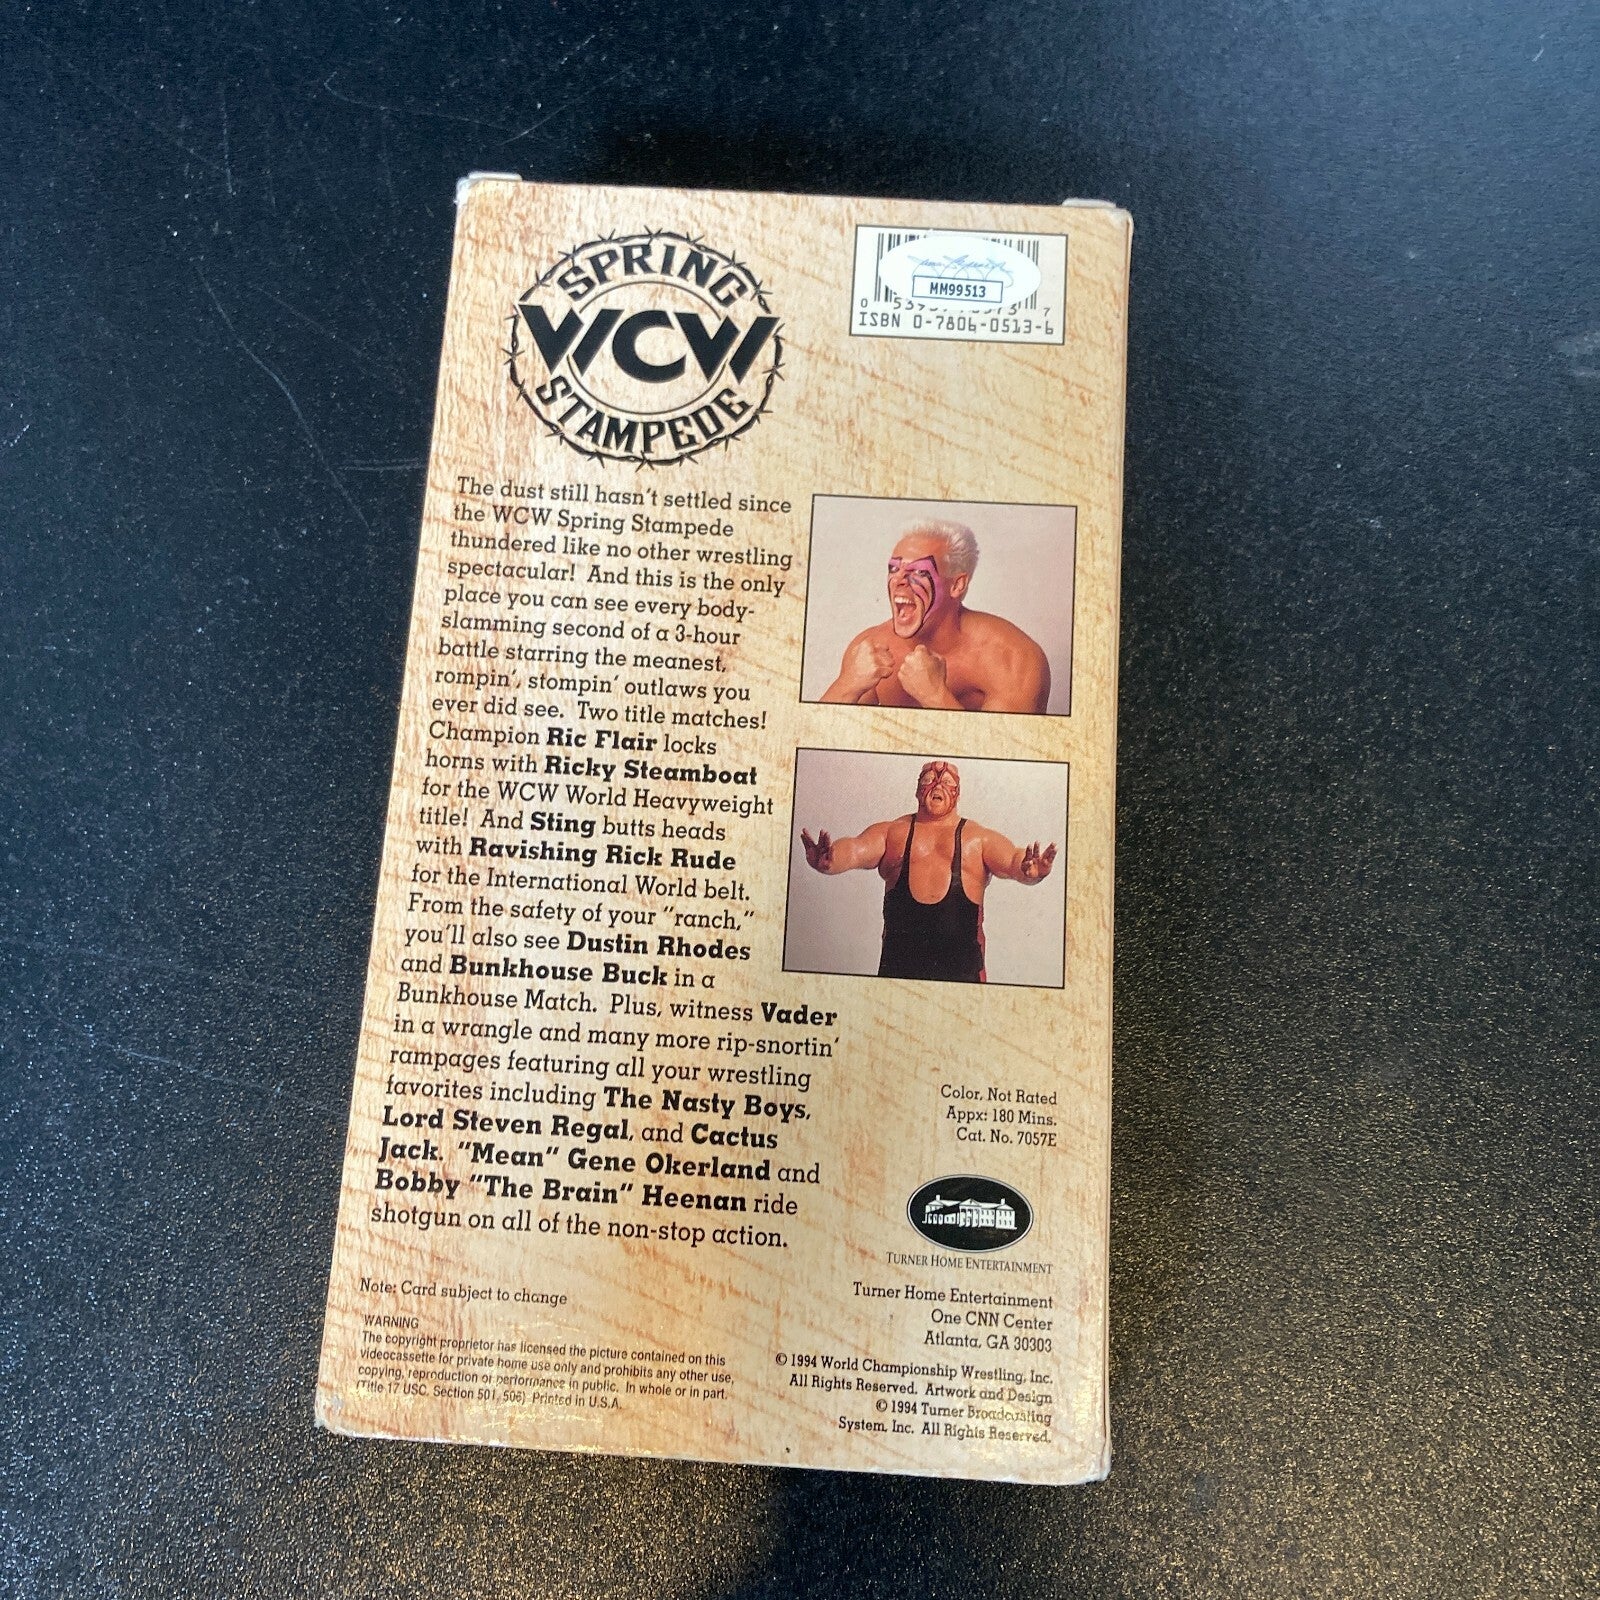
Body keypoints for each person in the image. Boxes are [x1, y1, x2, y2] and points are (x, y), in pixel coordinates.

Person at [799, 761, 1057, 983]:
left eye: (947, 782)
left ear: (957, 793)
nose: (937, 786)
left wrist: (1031, 871)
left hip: (963, 976)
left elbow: (1012, 860)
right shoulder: (893, 833)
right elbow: (856, 849)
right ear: (917, 790)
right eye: (929, 780)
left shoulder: (977, 839)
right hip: (898, 972)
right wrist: (831, 859)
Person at [818, 520, 1051, 713]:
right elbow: (817, 739)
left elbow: (1006, 752)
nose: (898, 580)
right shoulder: (869, 649)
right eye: (894, 569)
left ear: (957, 585)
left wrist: (935, 696)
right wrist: (847, 685)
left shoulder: (1013, 658)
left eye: (919, 571)